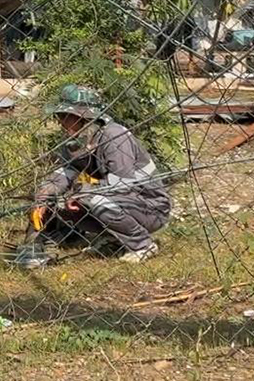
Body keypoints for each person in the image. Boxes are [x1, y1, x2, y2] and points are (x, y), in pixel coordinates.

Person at [17, 84, 170, 267]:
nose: (60, 121)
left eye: (65, 116)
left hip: (149, 206)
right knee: (56, 202)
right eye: (60, 116)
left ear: (82, 117)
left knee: (93, 199)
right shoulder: (76, 141)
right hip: (119, 201)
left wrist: (83, 192)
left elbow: (123, 183)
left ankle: (142, 245)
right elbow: (65, 173)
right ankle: (110, 237)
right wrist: (44, 194)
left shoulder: (114, 136)